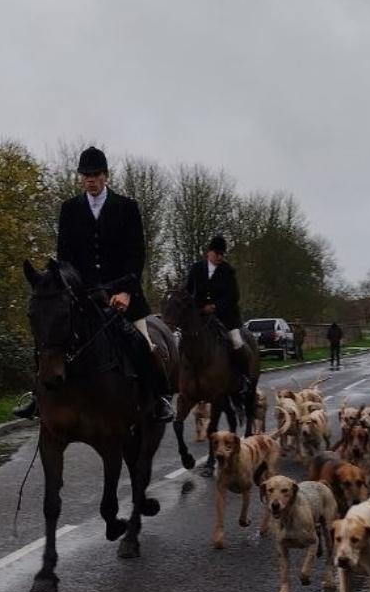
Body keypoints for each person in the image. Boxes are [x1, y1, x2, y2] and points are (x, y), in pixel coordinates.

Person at [14, 146, 173, 422]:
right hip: (83, 296)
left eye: (95, 174)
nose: (90, 179)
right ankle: (38, 398)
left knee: (144, 343)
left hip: (123, 295)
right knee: (50, 335)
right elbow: (65, 257)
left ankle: (159, 398)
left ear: (106, 176)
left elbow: (136, 254)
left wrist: (125, 292)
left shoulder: (127, 208)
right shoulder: (69, 210)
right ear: (80, 178)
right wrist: (74, 290)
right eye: (85, 175)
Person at [183, 235, 253, 393]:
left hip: (226, 317)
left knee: (237, 343)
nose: (220, 257)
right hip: (201, 316)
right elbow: (188, 292)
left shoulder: (228, 271)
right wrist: (197, 308)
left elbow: (233, 296)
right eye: (217, 254)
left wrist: (215, 307)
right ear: (209, 252)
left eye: (222, 254)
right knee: (184, 339)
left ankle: (244, 378)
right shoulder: (196, 269)